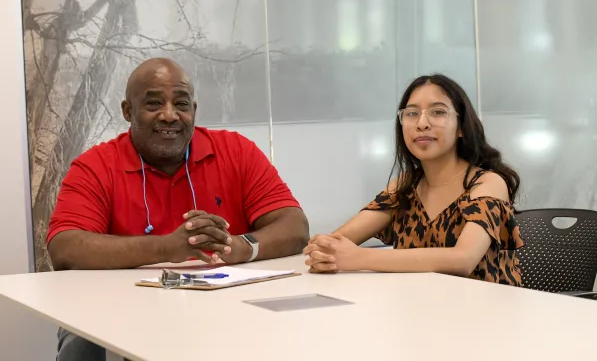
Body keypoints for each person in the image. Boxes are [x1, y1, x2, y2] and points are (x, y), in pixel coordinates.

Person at [47, 57, 309, 361]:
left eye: (181, 104)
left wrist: (241, 246)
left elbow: (294, 226)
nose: (170, 115)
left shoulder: (236, 151)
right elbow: (65, 247)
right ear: (127, 111)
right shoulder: (96, 166)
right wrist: (166, 248)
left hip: (226, 303)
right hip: (124, 306)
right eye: (154, 104)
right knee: (79, 335)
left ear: (194, 111)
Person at [304, 74, 523, 286]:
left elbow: (462, 259)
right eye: (411, 114)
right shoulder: (405, 186)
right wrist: (323, 252)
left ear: (461, 127)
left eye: (438, 112)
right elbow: (335, 243)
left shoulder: (487, 183)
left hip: (487, 312)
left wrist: (357, 258)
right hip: (419, 308)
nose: (422, 123)